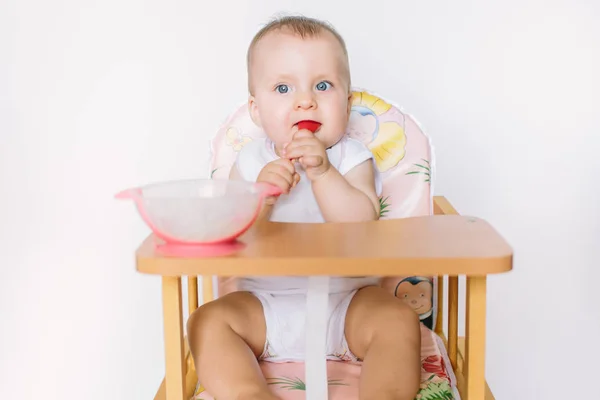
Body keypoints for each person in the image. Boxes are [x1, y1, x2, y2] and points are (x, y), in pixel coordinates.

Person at [187, 15, 421, 400]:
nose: (305, 100)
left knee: (397, 320)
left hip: (347, 304)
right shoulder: (248, 162)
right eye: (282, 87)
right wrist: (261, 195)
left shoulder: (351, 158)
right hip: (265, 305)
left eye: (323, 85)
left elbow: (361, 223)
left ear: (346, 103)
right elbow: (232, 231)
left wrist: (324, 172)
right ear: (257, 110)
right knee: (207, 322)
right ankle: (249, 394)